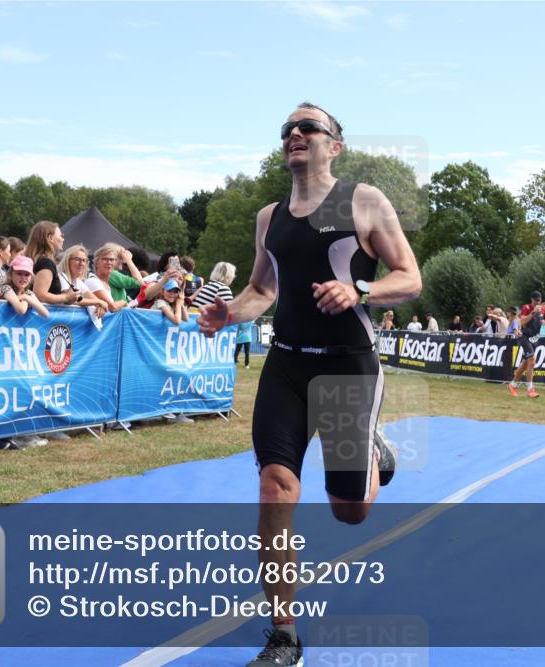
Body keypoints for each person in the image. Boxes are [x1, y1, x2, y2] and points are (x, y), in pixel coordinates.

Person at [195, 102, 421, 667]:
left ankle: (371, 449)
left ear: (334, 146)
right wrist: (230, 314)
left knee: (349, 511)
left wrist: (361, 292)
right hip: (288, 365)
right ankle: (285, 635)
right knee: (275, 488)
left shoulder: (364, 200)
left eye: (308, 127)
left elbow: (410, 278)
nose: (295, 134)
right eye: (287, 130)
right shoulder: (269, 216)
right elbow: (260, 290)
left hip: (348, 364)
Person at [26, 221, 82, 307]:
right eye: (61, 236)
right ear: (50, 238)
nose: (63, 239)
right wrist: (66, 297)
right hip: (41, 318)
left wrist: (65, 296)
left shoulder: (35, 260)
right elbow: (40, 295)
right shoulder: (46, 263)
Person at [508, 290, 545, 398]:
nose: (538, 303)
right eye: (536, 301)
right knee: (532, 361)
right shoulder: (527, 308)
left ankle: (512, 385)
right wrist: (533, 313)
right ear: (532, 300)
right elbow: (522, 322)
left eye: (539, 301)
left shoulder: (542, 310)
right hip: (525, 338)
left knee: (525, 364)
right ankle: (530, 390)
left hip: (535, 339)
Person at [86, 243, 144, 311]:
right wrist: (129, 260)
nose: (123, 260)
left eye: (112, 259)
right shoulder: (113, 274)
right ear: (97, 262)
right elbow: (139, 282)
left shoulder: (108, 277)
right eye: (121, 257)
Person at [55, 244, 108, 315]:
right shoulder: (61, 276)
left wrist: (99, 304)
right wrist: (98, 302)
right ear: (67, 261)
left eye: (84, 260)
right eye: (77, 259)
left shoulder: (78, 282)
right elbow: (71, 300)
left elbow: (93, 298)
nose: (81, 263)